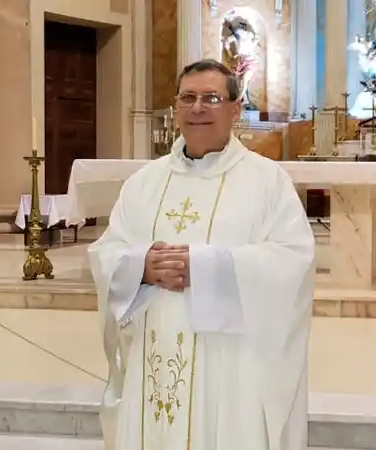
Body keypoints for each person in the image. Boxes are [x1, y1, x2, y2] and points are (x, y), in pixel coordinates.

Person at [87, 59, 315, 450]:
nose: (198, 108)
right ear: (176, 109)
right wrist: (142, 266)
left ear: (234, 109)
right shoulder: (144, 182)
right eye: (187, 98)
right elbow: (108, 250)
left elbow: (293, 258)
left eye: (211, 98)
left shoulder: (267, 181)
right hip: (152, 353)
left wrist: (207, 268)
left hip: (229, 360)